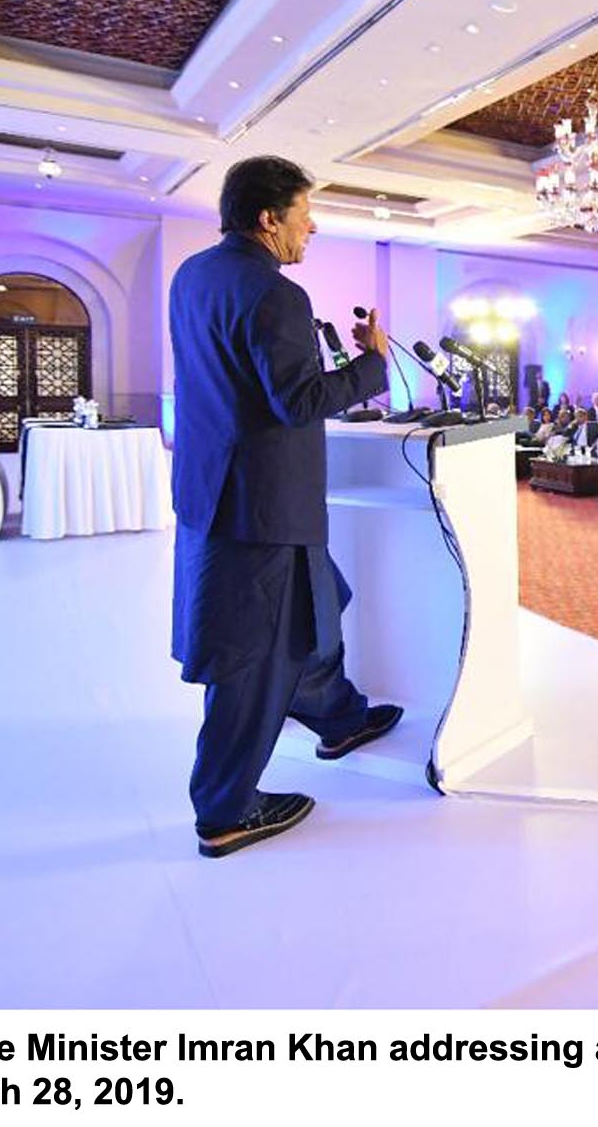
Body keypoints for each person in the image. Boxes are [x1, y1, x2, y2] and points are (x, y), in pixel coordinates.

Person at [170, 155, 401, 858]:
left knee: (321, 603)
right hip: (263, 505)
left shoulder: (194, 275)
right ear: (269, 219)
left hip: (216, 492)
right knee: (257, 657)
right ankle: (227, 809)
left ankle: (340, 719)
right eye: (305, 214)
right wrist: (371, 364)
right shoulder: (276, 294)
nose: (314, 226)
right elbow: (298, 401)